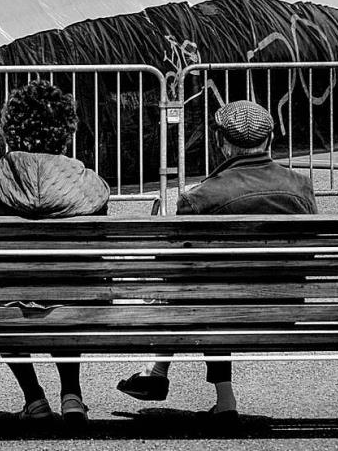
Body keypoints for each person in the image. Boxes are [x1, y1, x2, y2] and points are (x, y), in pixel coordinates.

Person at [117, 99, 317, 426]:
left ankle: (163, 374)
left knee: (198, 289)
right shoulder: (301, 187)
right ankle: (167, 378)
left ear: (221, 142)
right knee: (207, 289)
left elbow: (181, 266)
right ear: (269, 140)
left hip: (219, 309)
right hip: (285, 306)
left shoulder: (200, 198)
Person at [0, 79, 110, 425]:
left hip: (3, 296)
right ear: (65, 131)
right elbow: (93, 256)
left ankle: (34, 398)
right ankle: (72, 395)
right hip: (77, 296)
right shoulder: (88, 184)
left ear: (11, 129)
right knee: (64, 286)